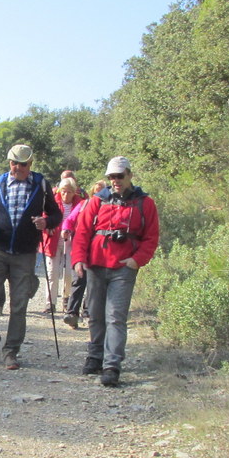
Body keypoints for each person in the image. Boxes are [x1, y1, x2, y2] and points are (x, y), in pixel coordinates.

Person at [71, 157, 159, 387]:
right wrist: (79, 260)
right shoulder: (97, 201)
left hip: (123, 267)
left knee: (116, 316)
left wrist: (137, 260)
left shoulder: (144, 203)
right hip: (96, 264)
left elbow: (151, 237)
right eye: (112, 177)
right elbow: (82, 232)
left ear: (129, 175)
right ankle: (95, 356)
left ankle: (112, 365)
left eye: (119, 176)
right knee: (95, 314)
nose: (115, 181)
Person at [0, 143, 63, 370]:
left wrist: (46, 222)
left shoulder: (41, 183)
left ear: (30, 164)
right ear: (9, 163)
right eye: (14, 163)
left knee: (19, 304)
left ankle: (10, 351)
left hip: (25, 253)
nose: (18, 167)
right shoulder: (0, 182)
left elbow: (56, 214)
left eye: (23, 164)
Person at [60, 179, 107, 328]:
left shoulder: (109, 206)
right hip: (81, 247)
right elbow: (70, 220)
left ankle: (87, 313)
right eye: (96, 190)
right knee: (78, 280)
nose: (99, 193)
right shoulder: (84, 204)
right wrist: (65, 229)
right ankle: (72, 313)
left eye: (102, 191)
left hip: (100, 250)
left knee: (93, 283)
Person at [41, 177, 82, 314]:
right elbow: (45, 216)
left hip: (71, 242)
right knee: (52, 272)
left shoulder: (79, 204)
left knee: (69, 273)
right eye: (63, 191)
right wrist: (48, 226)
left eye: (69, 192)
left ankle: (66, 299)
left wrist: (72, 231)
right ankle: (50, 303)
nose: (65, 195)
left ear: (74, 192)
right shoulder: (53, 202)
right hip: (53, 240)